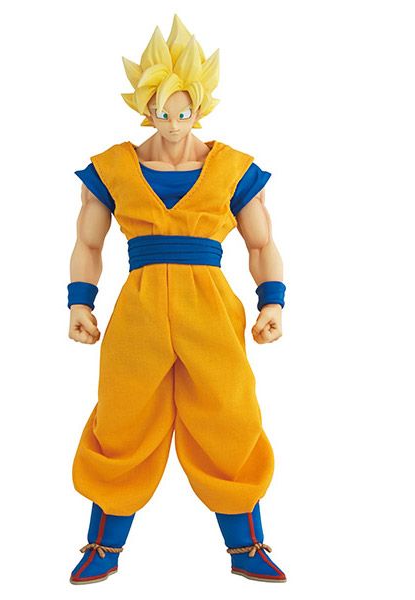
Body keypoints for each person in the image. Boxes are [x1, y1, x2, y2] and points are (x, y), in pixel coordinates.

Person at [67, 15, 287, 584]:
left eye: (182, 112)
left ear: (200, 106)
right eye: (161, 112)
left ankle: (246, 545)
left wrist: (272, 300)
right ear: (145, 109)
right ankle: (102, 545)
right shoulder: (113, 168)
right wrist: (79, 302)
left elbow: (261, 243)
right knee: (122, 420)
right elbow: (87, 243)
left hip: (210, 310)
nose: (171, 124)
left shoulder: (232, 168)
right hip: (138, 312)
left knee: (230, 416)